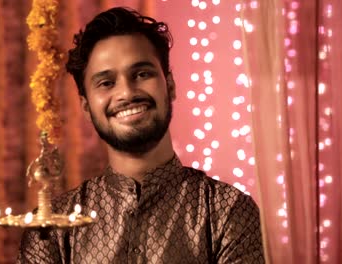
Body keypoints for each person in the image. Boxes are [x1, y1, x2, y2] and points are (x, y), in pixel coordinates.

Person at [17, 7, 264, 264]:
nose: (126, 93)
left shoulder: (227, 211)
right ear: (87, 108)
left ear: (169, 86)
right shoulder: (52, 227)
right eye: (106, 83)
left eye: (142, 74)